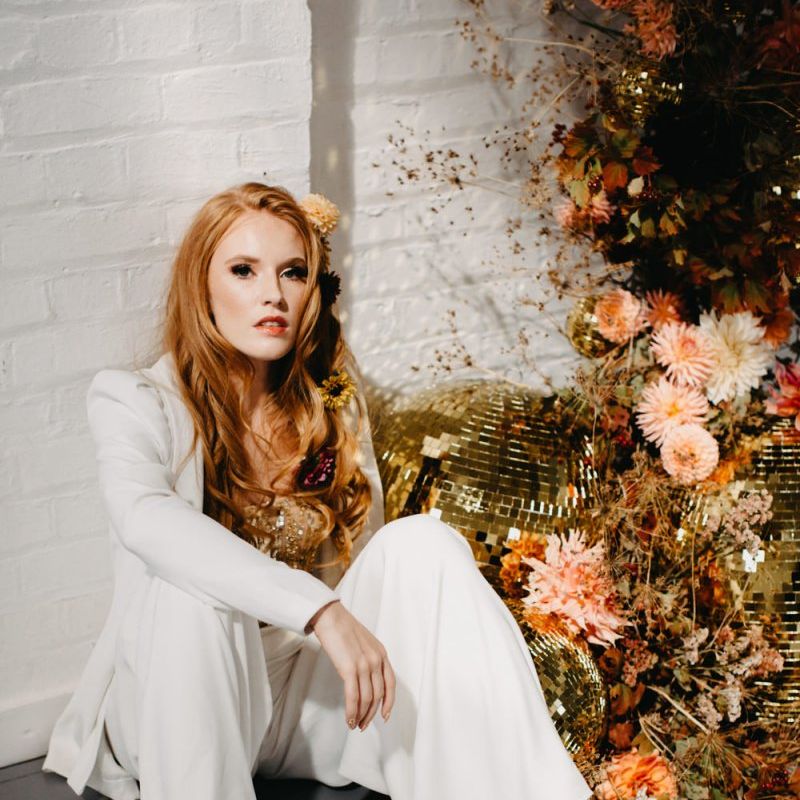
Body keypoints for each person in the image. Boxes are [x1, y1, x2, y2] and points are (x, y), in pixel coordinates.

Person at [41, 182, 594, 800]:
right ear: (202, 286)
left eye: (293, 272)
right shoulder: (134, 399)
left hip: (300, 699)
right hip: (176, 700)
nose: (272, 294)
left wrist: (351, 621)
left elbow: (369, 558)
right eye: (244, 271)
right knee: (190, 590)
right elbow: (145, 519)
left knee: (424, 542)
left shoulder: (326, 401)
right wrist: (321, 610)